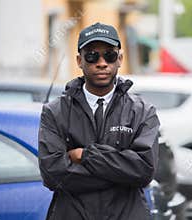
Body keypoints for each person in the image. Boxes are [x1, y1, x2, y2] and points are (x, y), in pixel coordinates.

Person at [38, 22, 160, 220]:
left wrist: (85, 155)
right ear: (79, 60)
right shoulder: (55, 112)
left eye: (109, 55)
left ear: (120, 59)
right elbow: (53, 175)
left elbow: (144, 171)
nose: (102, 62)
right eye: (92, 55)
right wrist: (120, 173)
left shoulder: (142, 111)